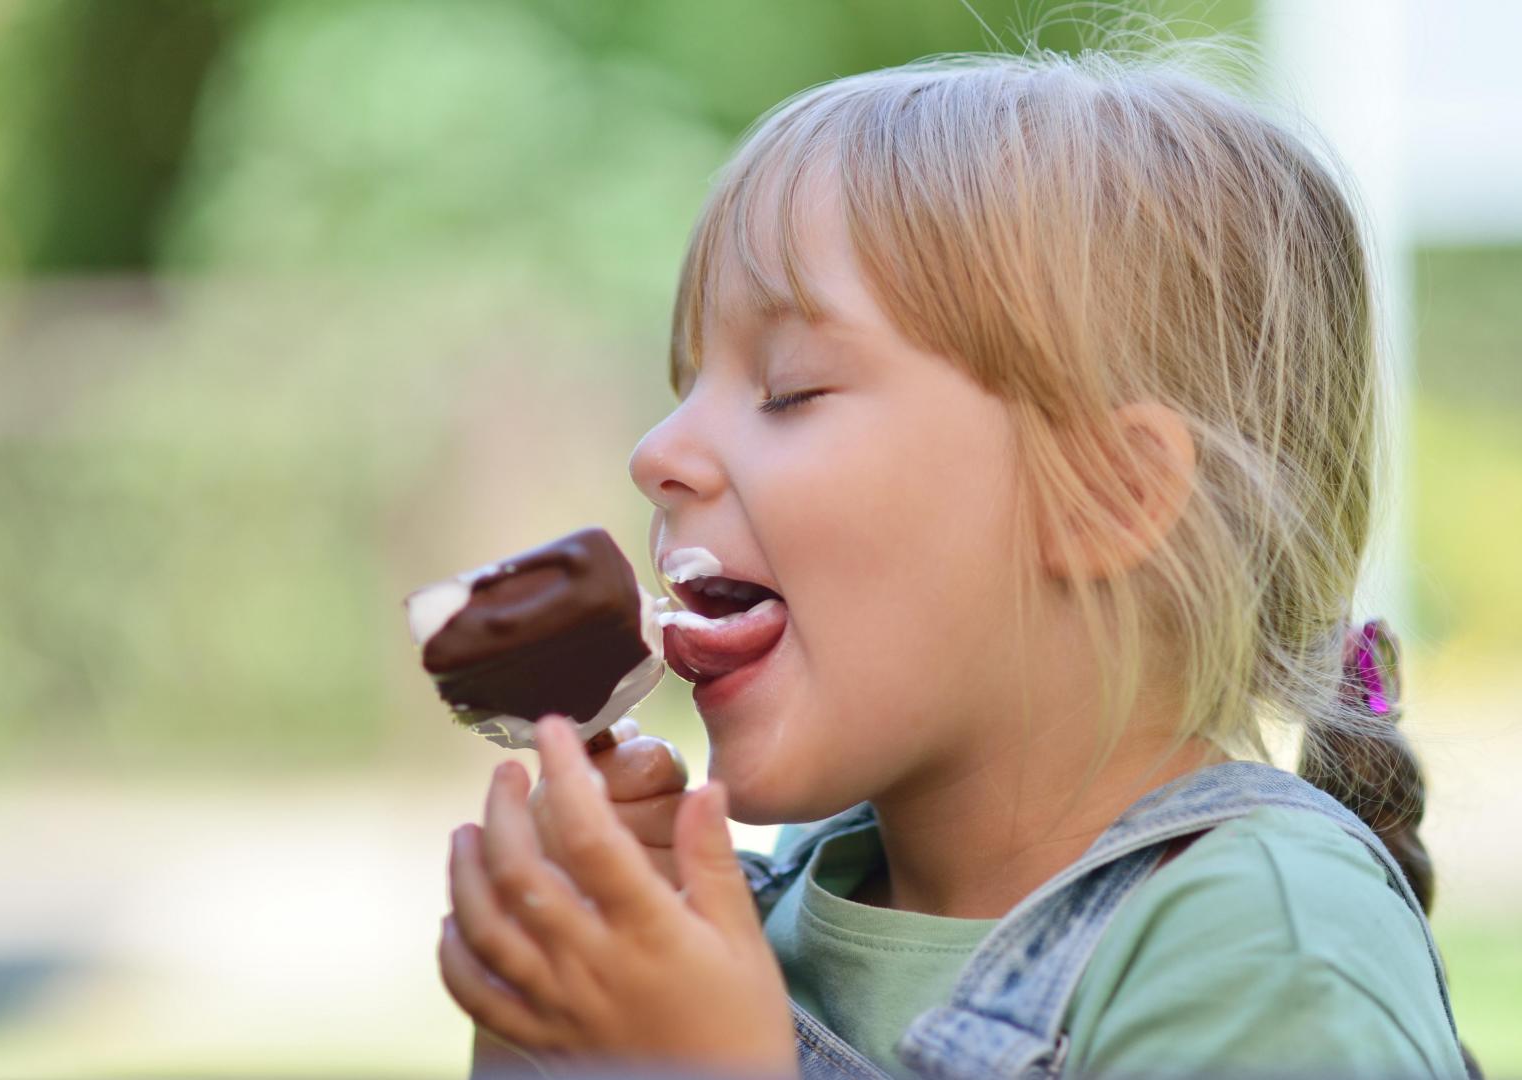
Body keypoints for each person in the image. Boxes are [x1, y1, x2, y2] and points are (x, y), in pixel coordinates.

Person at [438, 42, 1483, 1080]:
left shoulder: (1264, 955)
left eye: (789, 388)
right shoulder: (749, 929)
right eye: (684, 383)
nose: (654, 453)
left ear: (1108, 494)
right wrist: (552, 1041)